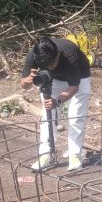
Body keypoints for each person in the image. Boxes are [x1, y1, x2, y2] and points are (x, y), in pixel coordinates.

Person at [19, 37, 91, 172]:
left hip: (79, 77)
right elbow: (24, 85)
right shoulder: (34, 55)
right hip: (53, 79)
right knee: (47, 117)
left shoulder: (69, 54)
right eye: (47, 65)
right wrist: (28, 80)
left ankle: (75, 156)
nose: (51, 66)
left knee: (76, 116)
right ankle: (45, 155)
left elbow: (74, 87)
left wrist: (57, 101)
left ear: (57, 54)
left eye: (53, 63)